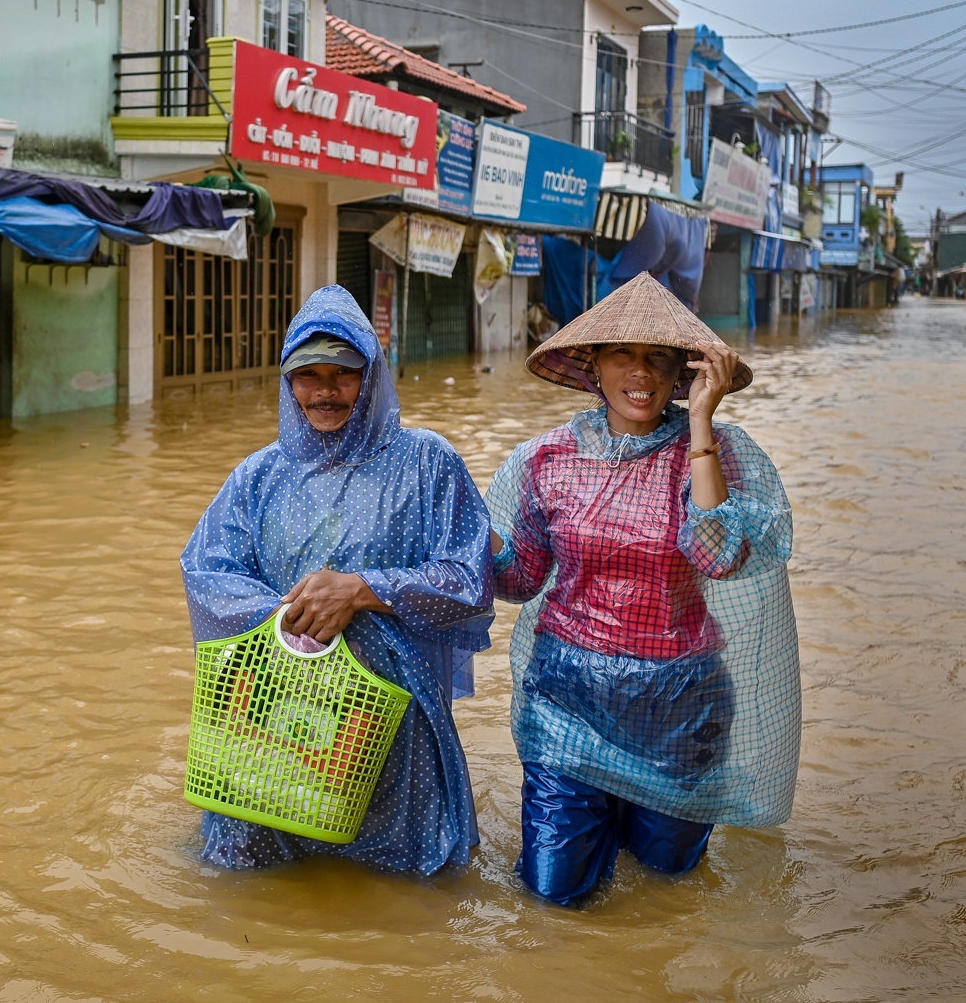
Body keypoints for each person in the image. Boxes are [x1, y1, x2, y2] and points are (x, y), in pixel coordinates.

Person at [485, 273, 799, 905]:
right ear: (593, 365)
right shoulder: (545, 459)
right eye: (623, 355)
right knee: (554, 896)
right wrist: (459, 537)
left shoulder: (716, 452)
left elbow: (720, 558)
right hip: (566, 700)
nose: (641, 374)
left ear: (682, 374)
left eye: (659, 359)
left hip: (679, 706)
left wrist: (704, 424)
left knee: (666, 885)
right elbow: (518, 579)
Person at [180, 285, 494, 876]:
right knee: (252, 873)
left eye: (343, 374)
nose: (325, 391)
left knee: (405, 888)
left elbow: (468, 579)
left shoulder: (427, 462)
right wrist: (289, 614)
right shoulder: (258, 476)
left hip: (392, 720)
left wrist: (360, 591)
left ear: (371, 376)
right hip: (277, 720)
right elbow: (208, 572)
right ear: (287, 381)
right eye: (308, 375)